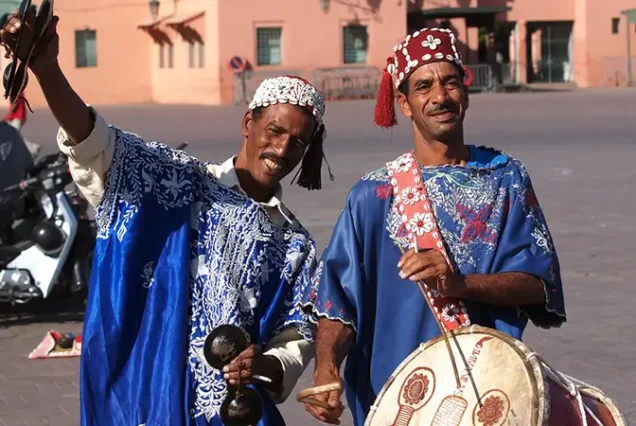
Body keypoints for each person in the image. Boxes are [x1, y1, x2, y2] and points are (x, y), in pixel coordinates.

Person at [1, 9, 330, 426]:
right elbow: (94, 141)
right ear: (249, 122)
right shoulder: (172, 181)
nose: (283, 150)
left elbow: (297, 336)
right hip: (148, 397)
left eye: (298, 143)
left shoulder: (295, 244)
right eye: (276, 131)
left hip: (233, 413)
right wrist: (47, 71)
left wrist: (259, 364)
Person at [301, 27, 566, 426]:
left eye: (450, 83)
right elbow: (337, 303)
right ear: (404, 104)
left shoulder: (507, 178)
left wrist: (459, 284)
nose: (440, 97)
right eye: (424, 87)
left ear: (466, 92)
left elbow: (539, 283)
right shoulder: (373, 196)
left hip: (487, 397)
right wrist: (326, 369)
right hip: (396, 403)